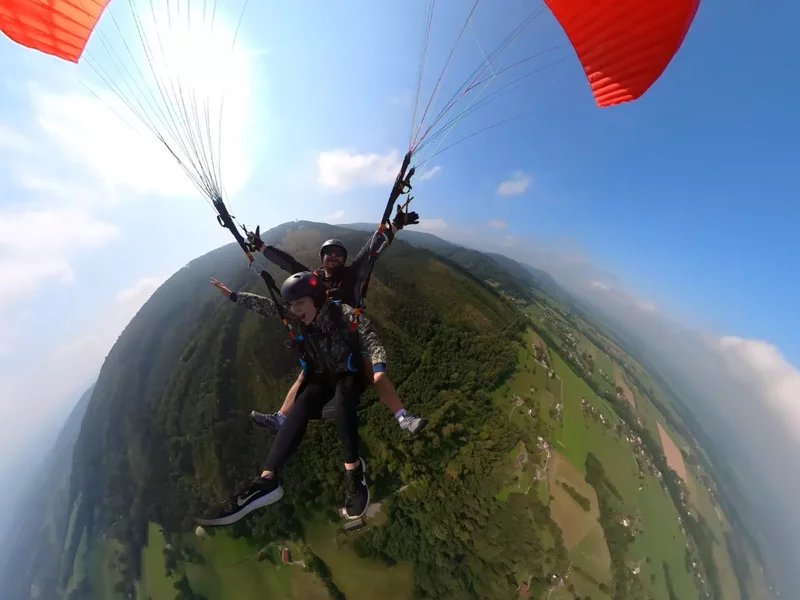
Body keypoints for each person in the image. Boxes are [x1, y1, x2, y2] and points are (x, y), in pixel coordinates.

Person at [198, 271, 383, 526]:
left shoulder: (341, 313)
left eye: (300, 303)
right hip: (322, 377)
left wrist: (379, 365)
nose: (295, 310)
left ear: (316, 299)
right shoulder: (295, 321)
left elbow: (369, 335)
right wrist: (233, 296)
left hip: (348, 375)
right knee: (302, 405)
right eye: (292, 305)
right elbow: (266, 306)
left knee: (343, 401)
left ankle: (354, 474)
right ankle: (267, 479)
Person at [248, 208, 426, 435]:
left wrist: (395, 226)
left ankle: (403, 416)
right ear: (322, 258)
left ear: (344, 259)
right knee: (305, 375)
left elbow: (370, 252)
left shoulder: (350, 276)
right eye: (328, 253)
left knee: (373, 371)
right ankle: (281, 417)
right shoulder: (313, 280)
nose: (333, 257)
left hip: (347, 338)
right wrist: (263, 248)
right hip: (322, 341)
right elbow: (289, 265)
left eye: (338, 254)